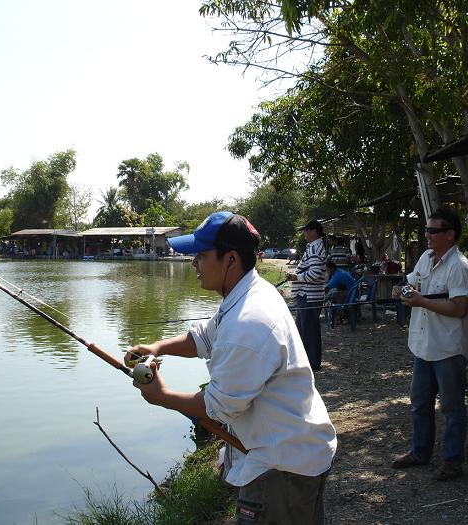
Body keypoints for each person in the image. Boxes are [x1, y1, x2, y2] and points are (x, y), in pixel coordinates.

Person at [125, 211, 337, 524]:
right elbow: (203, 338)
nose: (194, 263)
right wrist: (158, 347)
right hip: (290, 449)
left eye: (201, 255)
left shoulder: (248, 324)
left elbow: (216, 407)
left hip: (280, 470)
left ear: (231, 259)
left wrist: (161, 395)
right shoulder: (249, 293)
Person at [391, 206, 468, 481]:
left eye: (433, 230)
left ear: (450, 235)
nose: (427, 234)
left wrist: (421, 301)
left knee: (452, 407)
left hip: (448, 348)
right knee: (419, 403)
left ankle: (452, 460)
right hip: (424, 344)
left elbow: (460, 308)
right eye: (427, 229)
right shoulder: (426, 259)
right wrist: (401, 291)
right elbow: (411, 284)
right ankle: (420, 452)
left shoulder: (460, 267)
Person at [287, 220, 327, 370]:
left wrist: (296, 277)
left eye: (306, 231)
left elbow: (315, 273)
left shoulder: (315, 249)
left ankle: (313, 363)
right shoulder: (314, 247)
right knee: (304, 330)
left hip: (309, 296)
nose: (304, 234)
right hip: (307, 295)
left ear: (314, 231)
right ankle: (306, 361)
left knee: (310, 331)